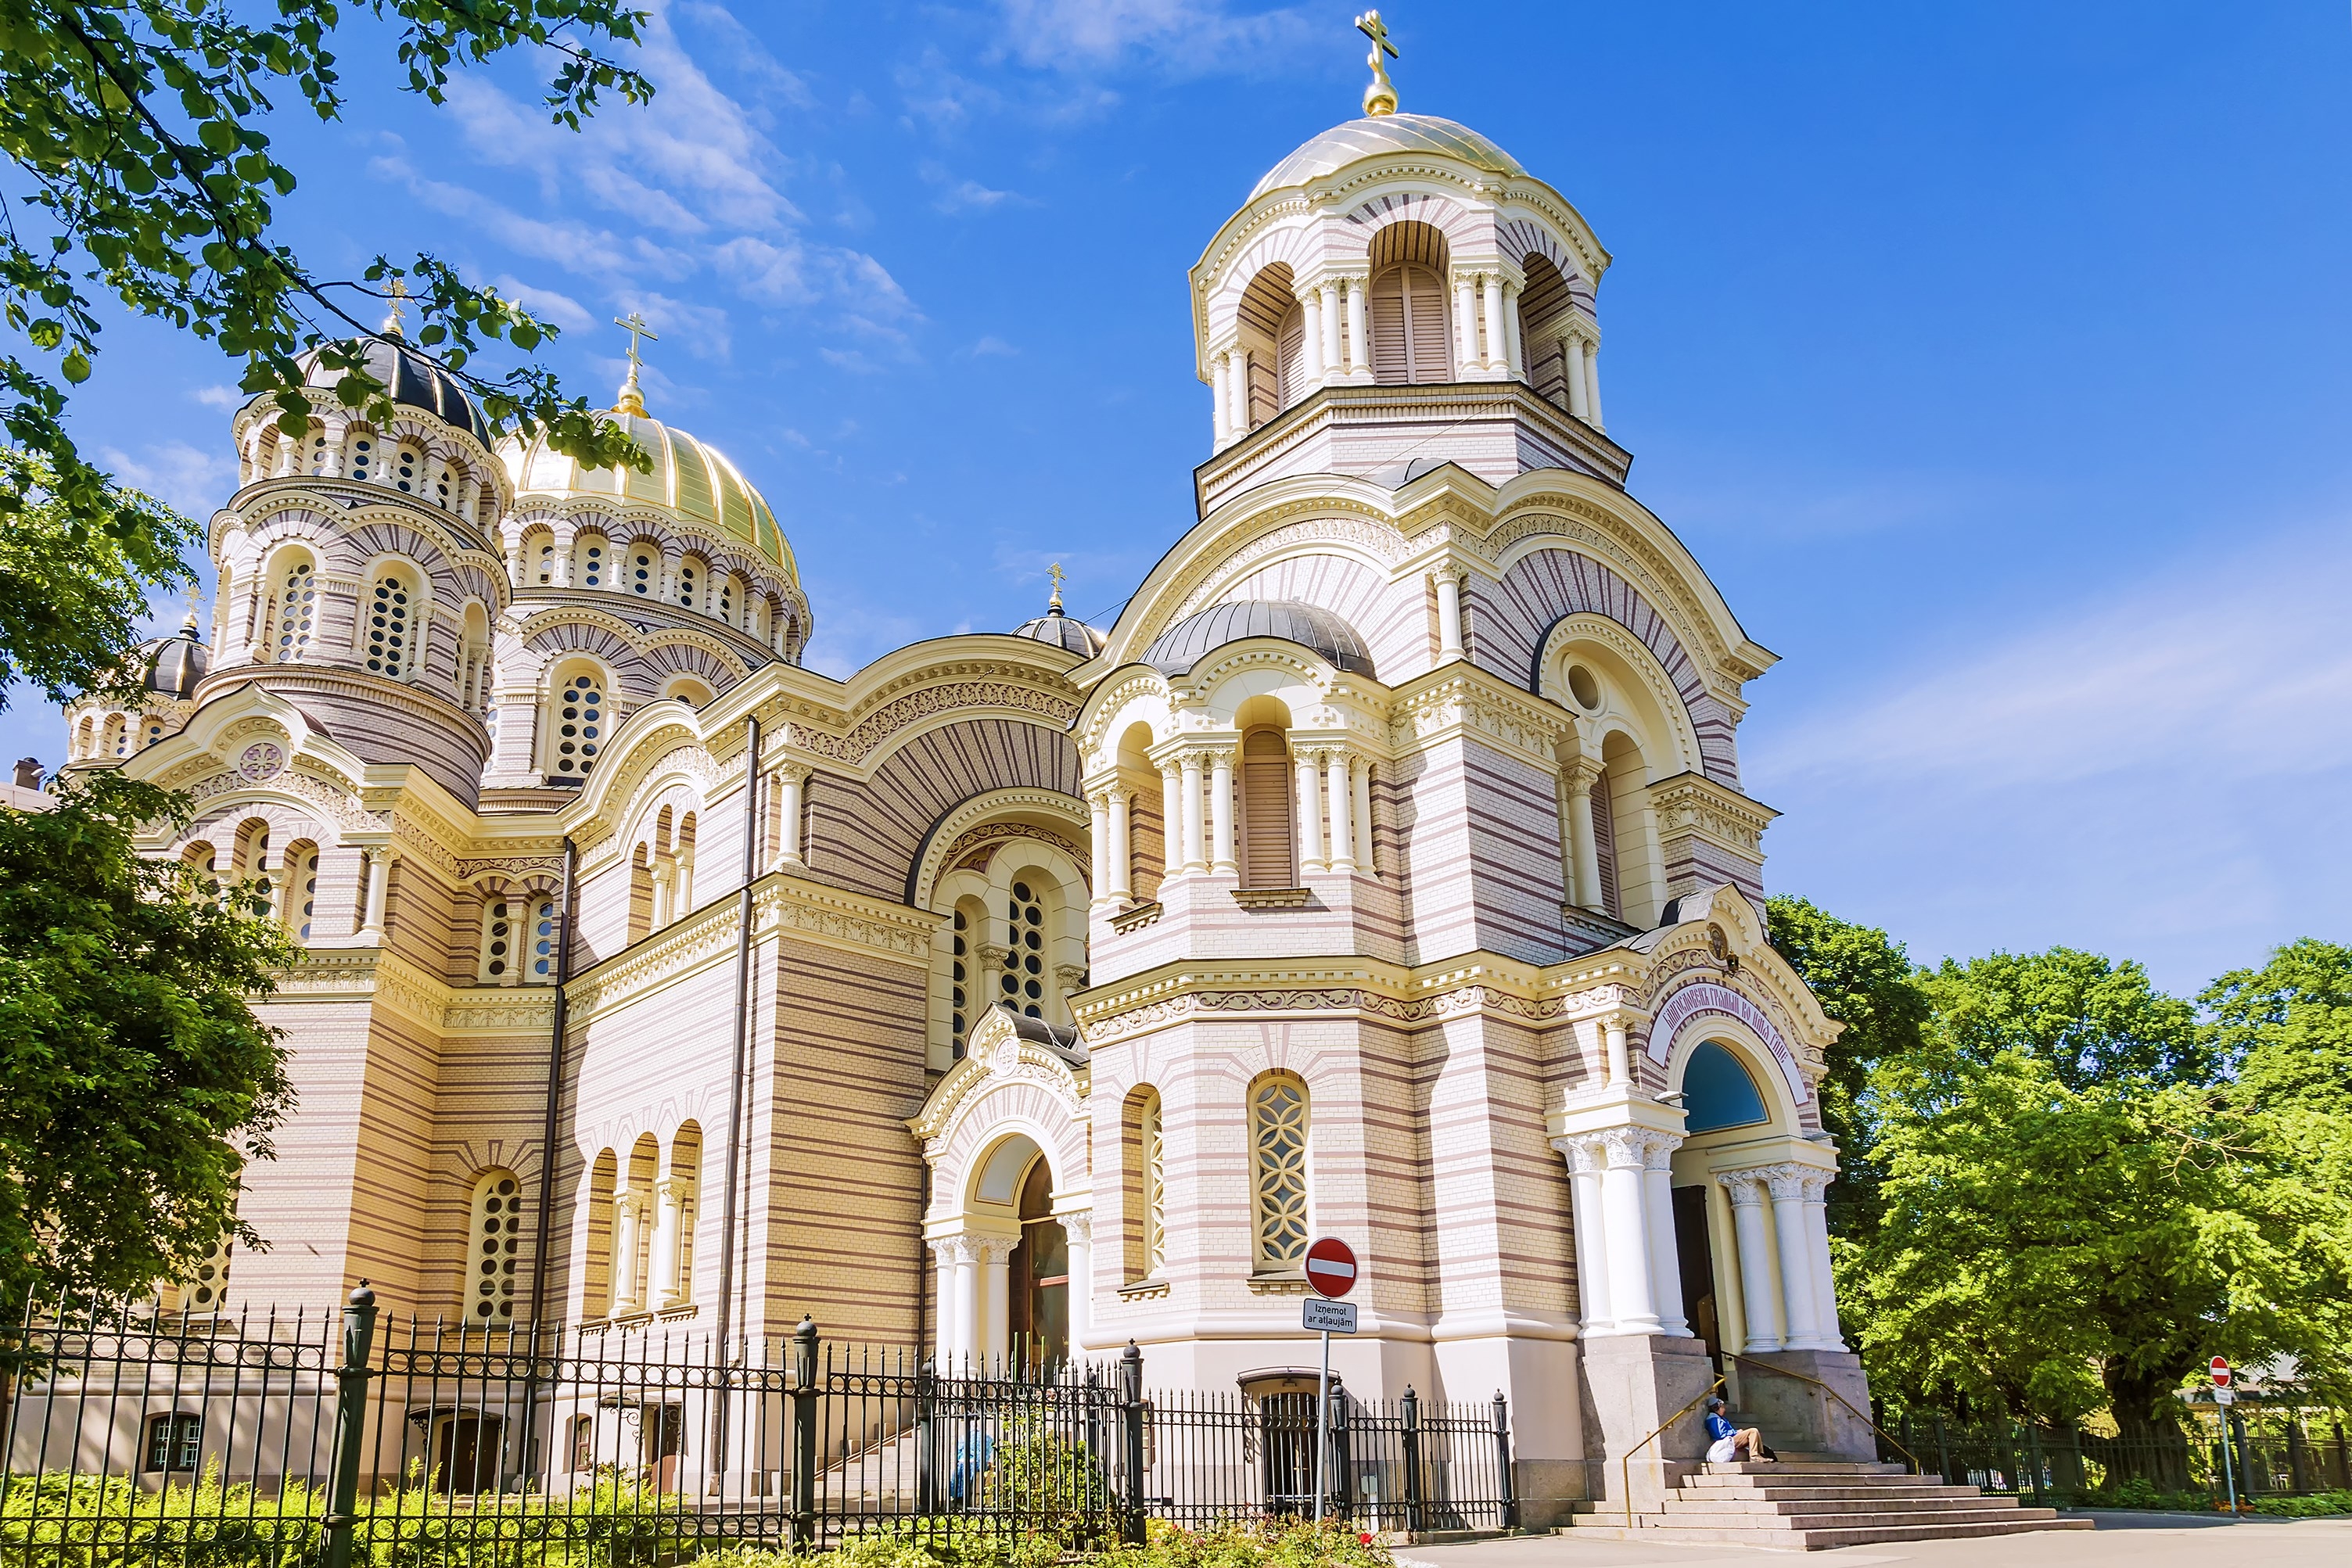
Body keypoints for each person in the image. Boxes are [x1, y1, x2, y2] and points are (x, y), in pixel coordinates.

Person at [1704, 1395, 1771, 1464]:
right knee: (1753, 1431)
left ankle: (1761, 1454)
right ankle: (1754, 1456)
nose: (1724, 1409)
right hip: (1725, 1441)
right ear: (1716, 1408)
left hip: (1729, 1440)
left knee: (1753, 1434)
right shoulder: (1714, 1419)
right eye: (1722, 1407)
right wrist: (1736, 1432)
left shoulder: (1720, 1418)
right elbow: (1721, 1434)